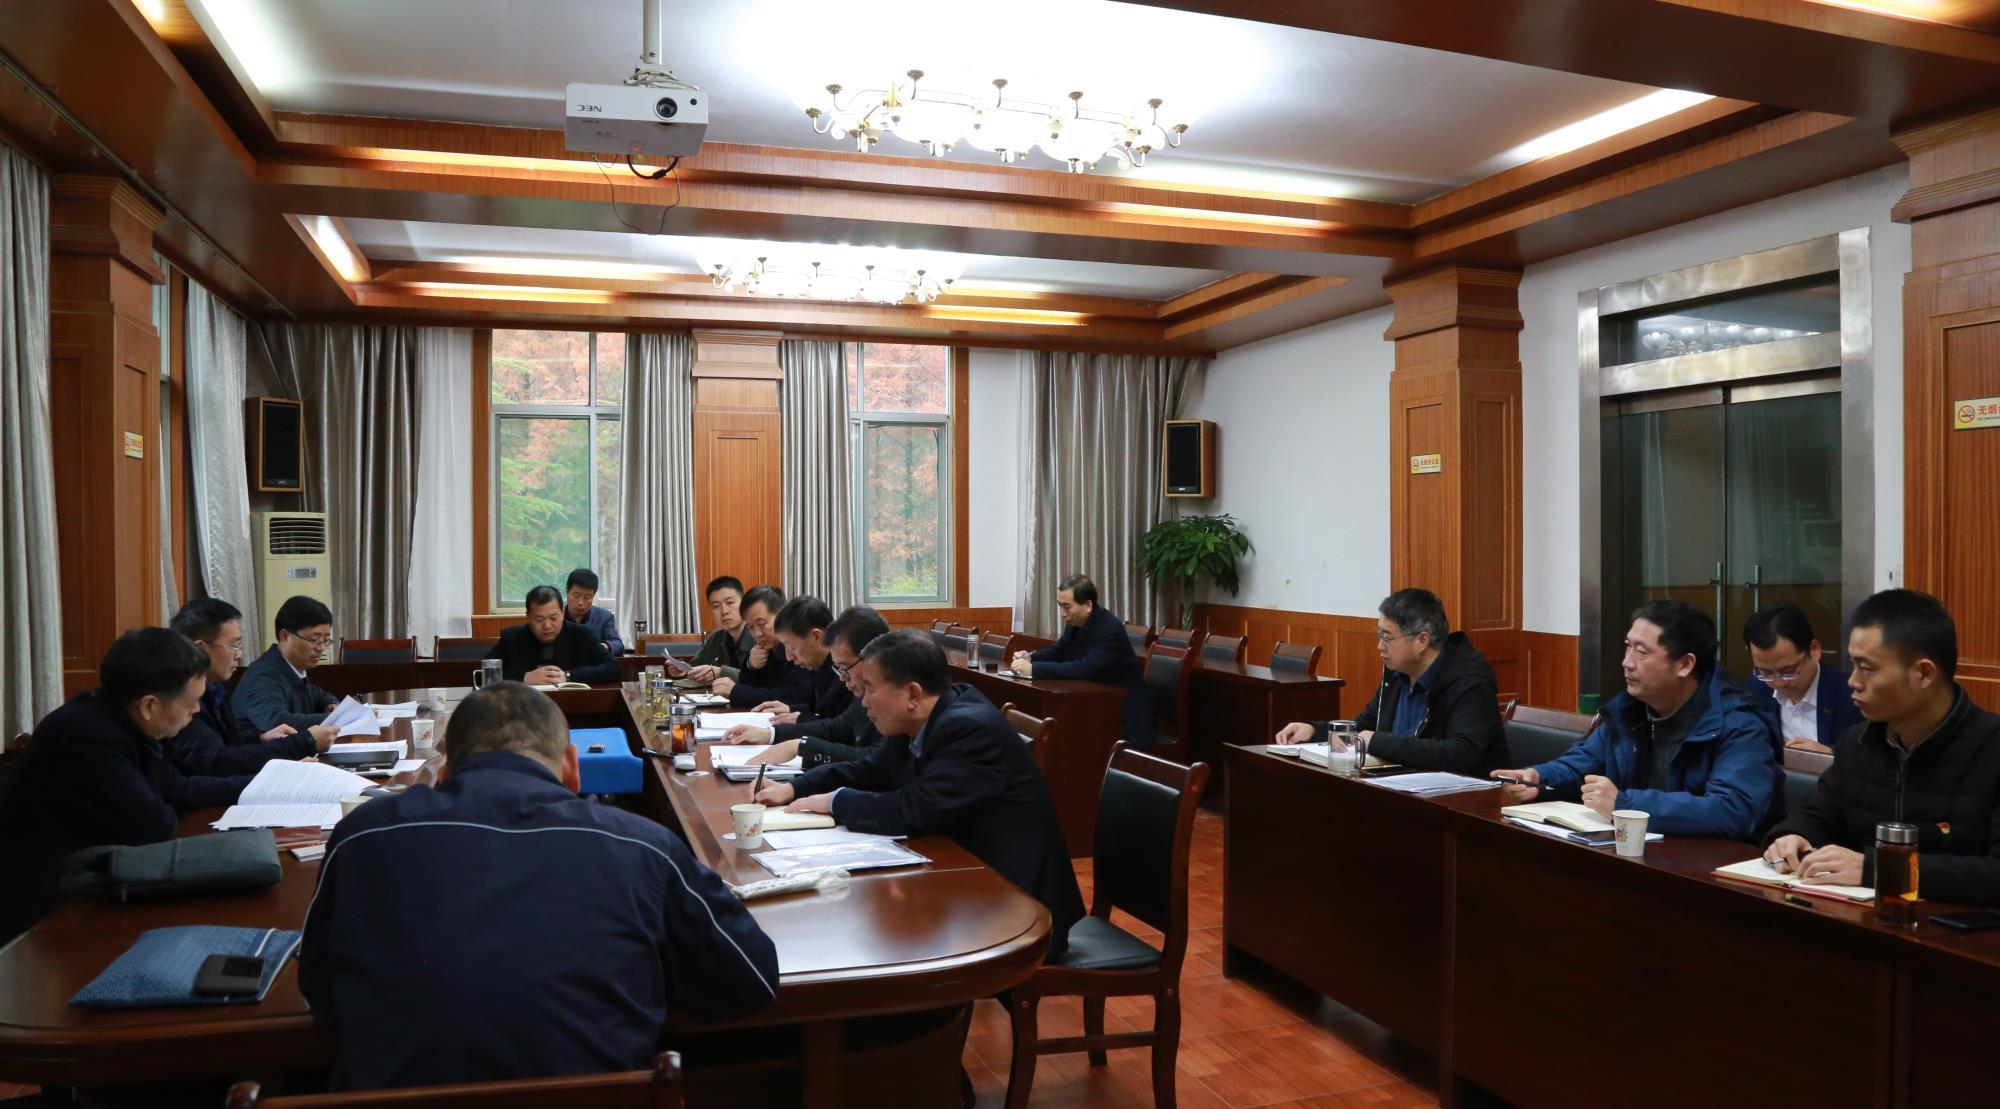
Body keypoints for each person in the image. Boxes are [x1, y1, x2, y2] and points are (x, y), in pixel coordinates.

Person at [299, 681, 778, 1090]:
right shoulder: (642, 845)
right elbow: (750, 979)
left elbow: (322, 996)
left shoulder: (362, 836)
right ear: (572, 767)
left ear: (443, 776)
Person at [758, 630, 1085, 959]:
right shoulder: (919, 717)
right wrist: (794, 788)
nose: (863, 701)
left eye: (870, 688)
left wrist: (834, 801)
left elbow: (913, 809)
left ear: (913, 693)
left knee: (881, 941)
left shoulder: (970, 729)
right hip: (963, 882)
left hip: (1015, 909)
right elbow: (870, 769)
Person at [0, 628, 251, 944]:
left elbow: (177, 788)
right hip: (44, 916)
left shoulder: (122, 719)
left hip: (91, 884)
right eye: (191, 701)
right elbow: (155, 825)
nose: (197, 710)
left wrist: (259, 785)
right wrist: (167, 797)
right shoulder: (87, 736)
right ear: (149, 706)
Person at [1763, 589, 2000, 902]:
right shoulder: (1859, 742)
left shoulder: (1990, 748)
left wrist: (1879, 868)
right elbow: (1820, 812)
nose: (1853, 681)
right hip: (1861, 919)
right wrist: (1793, 835)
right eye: (1853, 665)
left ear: (1924, 673)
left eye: (1867, 668)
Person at [1490, 600, 1781, 841]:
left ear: (1685, 664)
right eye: (1628, 647)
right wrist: (1540, 778)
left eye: (1641, 652)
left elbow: (1733, 810)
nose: (1626, 662)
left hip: (1708, 869)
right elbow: (1585, 762)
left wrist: (1626, 806)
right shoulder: (1631, 710)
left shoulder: (1740, 724)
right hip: (1641, 852)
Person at [1274, 588, 1505, 775]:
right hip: (1401, 786)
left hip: (1465, 801)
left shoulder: (1470, 682)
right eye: (1379, 636)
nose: (1379, 646)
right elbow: (1365, 725)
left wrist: (1378, 742)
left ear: (1422, 640)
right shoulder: (1397, 673)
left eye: (1387, 637)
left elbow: (1462, 753)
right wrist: (1316, 729)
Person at [167, 597, 335, 774]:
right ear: (201, 649)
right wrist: (304, 742)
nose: (239, 654)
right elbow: (217, 761)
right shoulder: (179, 698)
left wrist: (260, 738)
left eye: (239, 645)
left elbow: (227, 743)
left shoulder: (215, 687)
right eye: (233, 646)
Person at [727, 605, 891, 769]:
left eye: (844, 667)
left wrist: (801, 747)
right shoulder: (859, 687)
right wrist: (771, 734)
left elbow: (878, 759)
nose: (841, 676)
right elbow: (835, 728)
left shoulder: (892, 695)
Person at [1010, 574, 1154, 748]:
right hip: (1092, 703)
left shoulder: (1110, 629)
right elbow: (1058, 650)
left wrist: (1033, 669)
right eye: (1060, 606)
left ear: (1088, 606)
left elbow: (1084, 668)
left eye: (1067, 607)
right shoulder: (1076, 623)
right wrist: (1030, 657)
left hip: (1121, 714)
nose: (1062, 614)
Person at [1740, 604, 1863, 755]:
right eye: (1766, 673)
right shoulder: (1756, 689)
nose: (1779, 683)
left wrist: (1832, 756)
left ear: (1814, 650)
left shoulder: (1852, 696)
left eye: (1788, 672)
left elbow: (1874, 757)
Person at [233, 595, 340, 735]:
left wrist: (331, 703)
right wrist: (336, 719)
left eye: (325, 640)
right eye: (314, 640)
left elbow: (317, 694)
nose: (321, 648)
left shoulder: (291, 668)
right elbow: (278, 722)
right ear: (285, 636)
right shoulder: (264, 675)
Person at [743, 595, 852, 726]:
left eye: (792, 647)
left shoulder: (846, 672)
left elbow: (842, 728)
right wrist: (791, 709)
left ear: (816, 636)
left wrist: (772, 734)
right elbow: (820, 711)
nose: (789, 657)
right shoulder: (820, 664)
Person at [485, 585, 622, 685]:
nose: (547, 626)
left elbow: (614, 669)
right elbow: (483, 673)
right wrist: (524, 677)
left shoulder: (583, 635)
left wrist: (569, 676)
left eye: (553, 618)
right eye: (539, 619)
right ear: (528, 616)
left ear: (562, 613)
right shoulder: (512, 637)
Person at [712, 585, 810, 708]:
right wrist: (751, 666)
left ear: (782, 616)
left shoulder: (799, 647)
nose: (758, 634)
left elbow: (794, 697)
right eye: (751, 627)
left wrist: (736, 692)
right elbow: (753, 688)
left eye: (761, 624)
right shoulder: (765, 649)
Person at [686, 576, 754, 684]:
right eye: (716, 606)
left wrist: (722, 672)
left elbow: (762, 679)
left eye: (730, 603)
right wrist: (683, 670)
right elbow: (696, 665)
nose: (724, 611)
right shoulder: (716, 637)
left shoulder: (760, 635)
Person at [563, 568, 624, 656]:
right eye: (576, 595)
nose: (580, 602)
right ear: (567, 591)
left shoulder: (604, 617)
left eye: (587, 597)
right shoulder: (556, 617)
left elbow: (618, 644)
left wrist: (604, 646)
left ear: (593, 595)